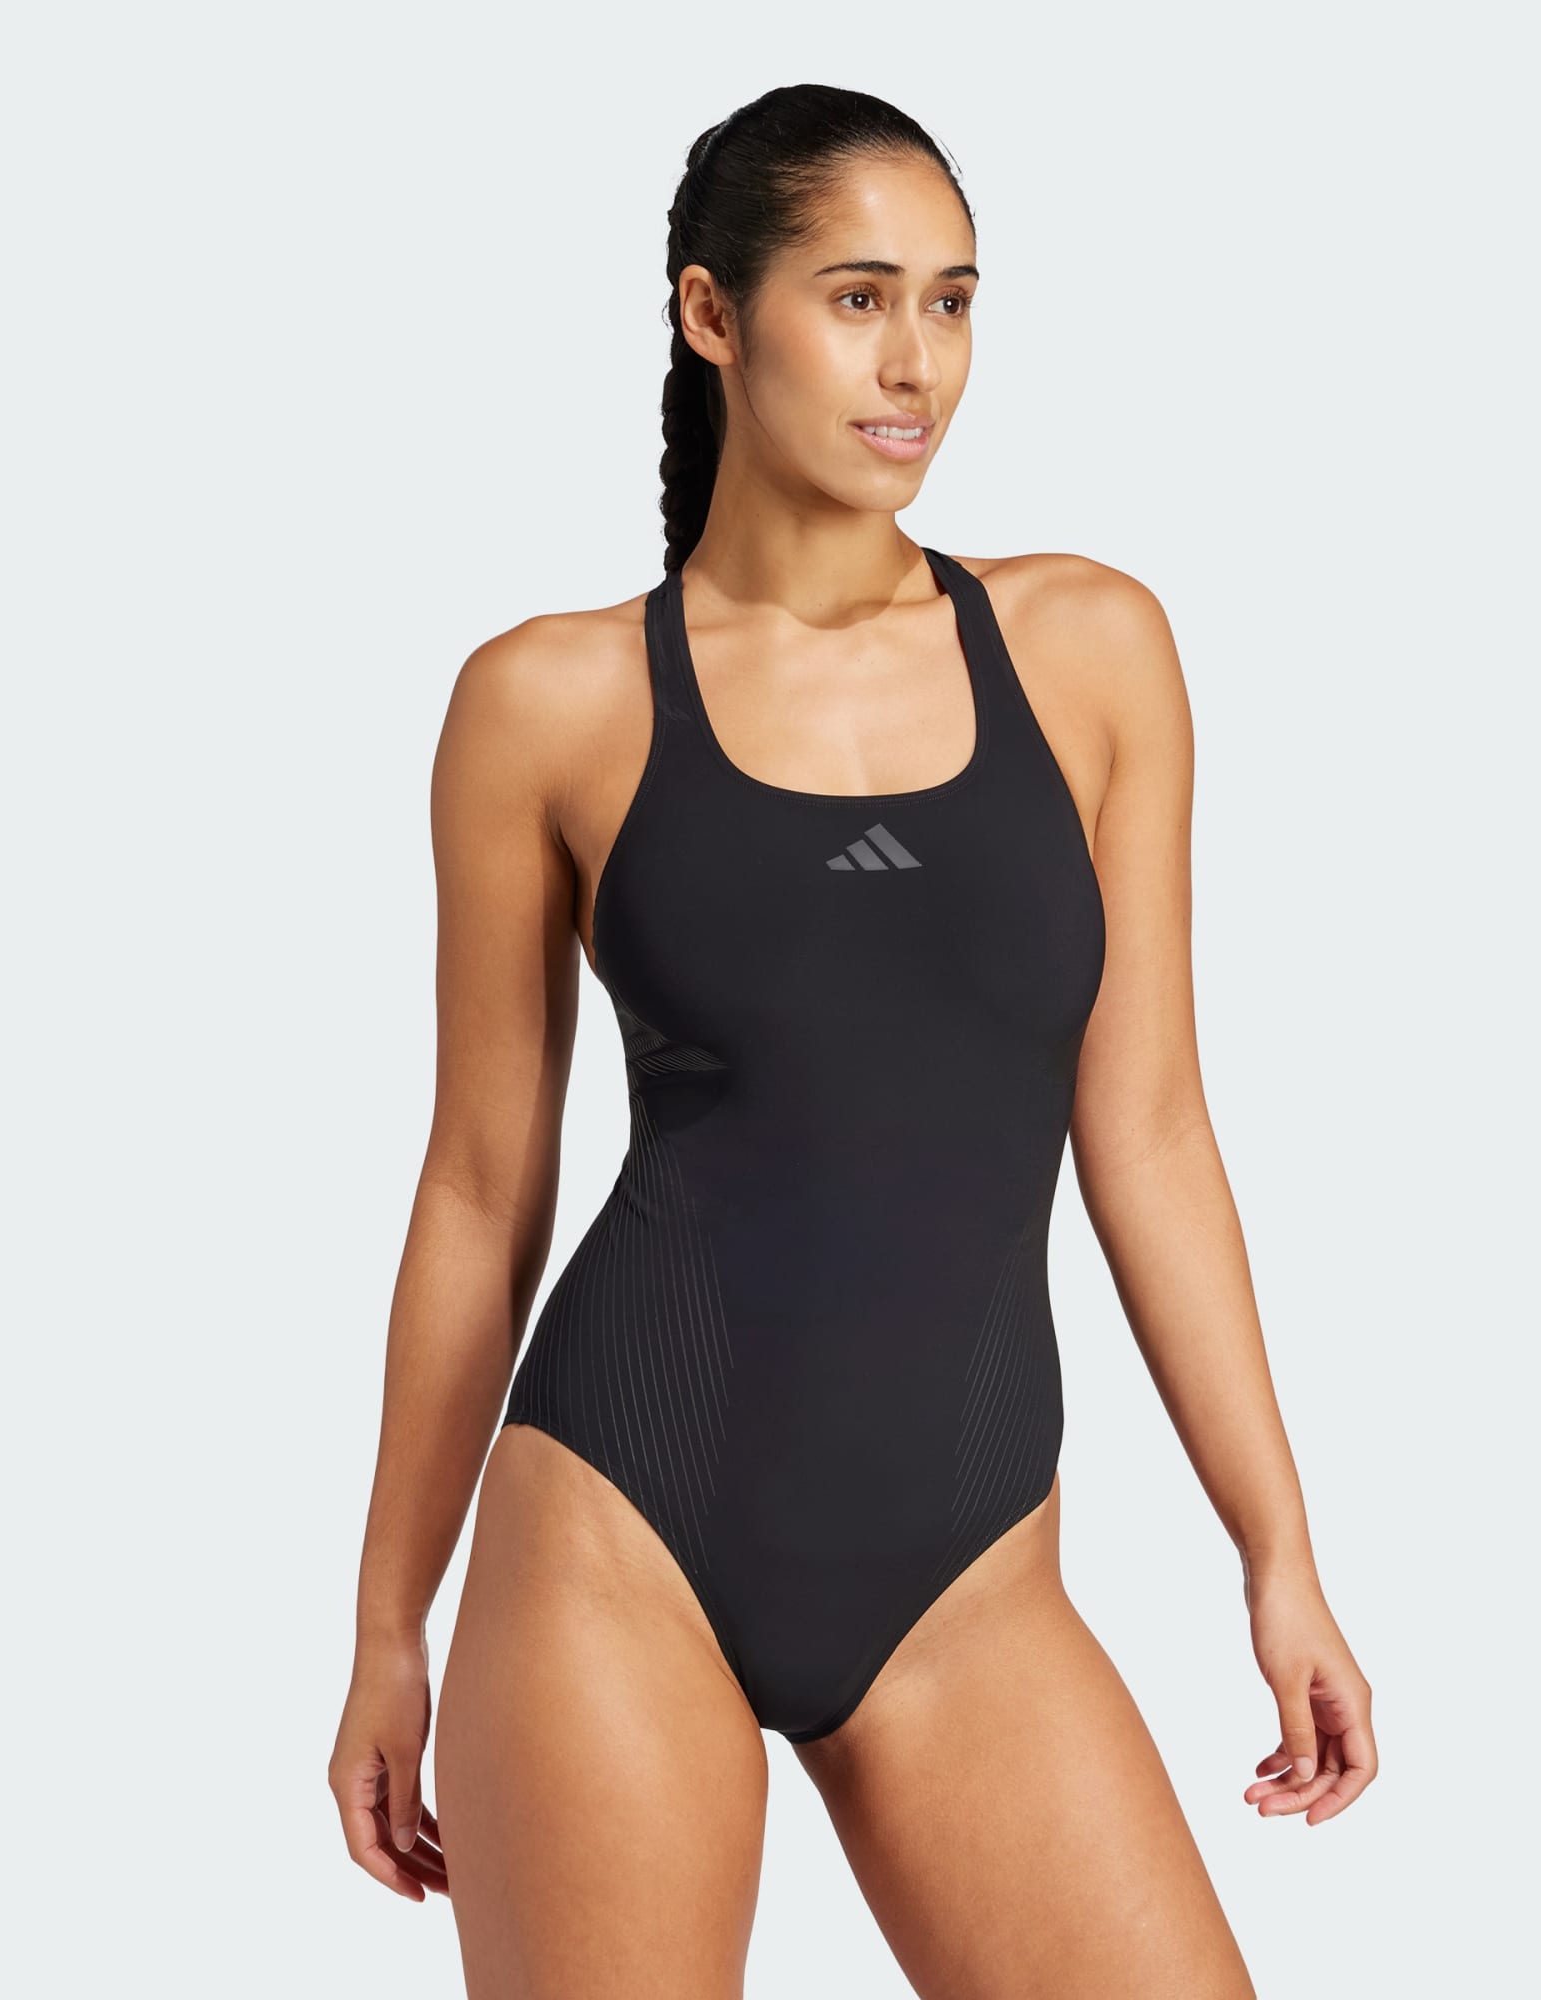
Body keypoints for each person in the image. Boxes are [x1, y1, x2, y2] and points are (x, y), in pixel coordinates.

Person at [329, 81, 1377, 1999]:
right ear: (711, 316)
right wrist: (388, 1626)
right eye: (860, 298)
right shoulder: (549, 702)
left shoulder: (1090, 652)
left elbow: (1151, 1131)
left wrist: (1276, 1548)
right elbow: (481, 1188)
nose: (919, 365)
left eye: (954, 302)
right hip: (617, 1537)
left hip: (971, 1579)